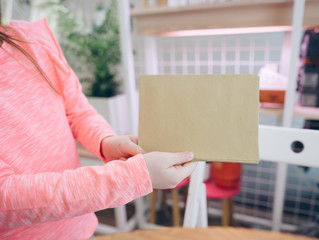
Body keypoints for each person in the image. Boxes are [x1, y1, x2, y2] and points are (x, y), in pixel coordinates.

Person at [0, 7, 197, 240]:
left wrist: (105, 141)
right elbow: (5, 198)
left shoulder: (33, 40)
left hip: (81, 227)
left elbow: (76, 110)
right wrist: (133, 177)